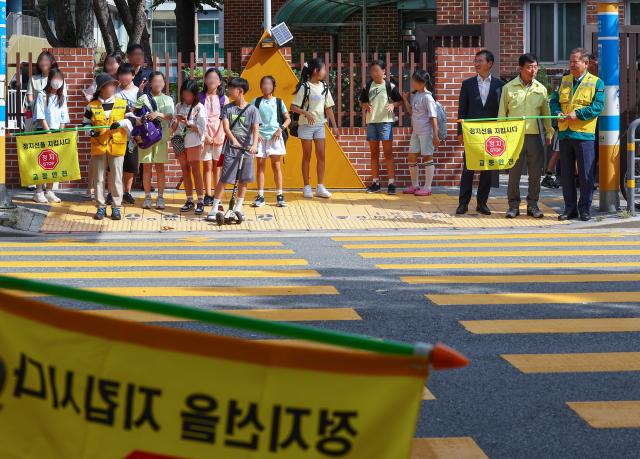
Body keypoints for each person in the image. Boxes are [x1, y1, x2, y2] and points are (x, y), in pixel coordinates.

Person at [550, 48, 604, 221]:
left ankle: (585, 209)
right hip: (565, 133)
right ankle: (569, 209)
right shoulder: (564, 81)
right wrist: (557, 111)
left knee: (586, 174)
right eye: (570, 61)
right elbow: (554, 101)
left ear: (585, 63)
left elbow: (597, 107)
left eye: (575, 61)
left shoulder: (596, 82)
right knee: (566, 174)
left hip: (584, 135)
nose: (571, 65)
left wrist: (578, 114)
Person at [499, 53, 554, 218]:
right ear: (521, 68)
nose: (533, 70)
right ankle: (513, 206)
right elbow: (502, 114)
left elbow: (546, 114)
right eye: (529, 67)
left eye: (535, 67)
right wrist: (503, 136)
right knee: (514, 174)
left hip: (534, 136)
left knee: (535, 173)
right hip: (513, 136)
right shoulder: (508, 88)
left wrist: (549, 132)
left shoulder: (541, 89)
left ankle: (533, 205)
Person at [456, 50, 505, 215]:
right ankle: (463, 203)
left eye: (480, 61)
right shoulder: (467, 84)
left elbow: (502, 110)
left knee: (487, 169)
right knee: (468, 168)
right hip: (472, 133)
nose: (476, 64)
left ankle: (482, 203)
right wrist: (460, 132)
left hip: (491, 133)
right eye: (475, 61)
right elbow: (461, 109)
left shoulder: (500, 85)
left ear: (489, 63)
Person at [207, 77, 261, 222]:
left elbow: (256, 129)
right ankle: (214, 208)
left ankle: (238, 207)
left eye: (231, 89)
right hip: (231, 149)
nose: (229, 91)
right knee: (224, 178)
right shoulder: (228, 108)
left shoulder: (252, 110)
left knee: (244, 180)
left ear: (240, 91)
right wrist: (234, 140)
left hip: (247, 150)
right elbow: (225, 126)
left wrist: (254, 145)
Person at [83, 74, 132, 221]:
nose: (113, 87)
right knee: (98, 178)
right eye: (110, 84)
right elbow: (85, 123)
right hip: (98, 145)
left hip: (116, 145)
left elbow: (131, 120)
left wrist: (121, 123)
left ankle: (116, 207)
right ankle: (100, 207)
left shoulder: (123, 103)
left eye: (113, 85)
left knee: (117, 177)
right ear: (102, 88)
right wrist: (89, 131)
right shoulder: (91, 105)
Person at [290, 58, 339, 199]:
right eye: (323, 69)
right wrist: (305, 113)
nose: (325, 72)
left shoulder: (324, 87)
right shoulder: (305, 87)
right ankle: (306, 186)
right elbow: (293, 107)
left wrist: (334, 126)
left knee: (321, 156)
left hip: (319, 125)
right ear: (316, 71)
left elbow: (328, 107)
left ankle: (320, 186)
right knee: (307, 156)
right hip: (305, 125)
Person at [360, 60, 403, 194]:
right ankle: (375, 182)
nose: (374, 73)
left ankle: (391, 183)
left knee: (388, 153)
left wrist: (393, 105)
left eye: (377, 70)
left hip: (386, 122)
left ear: (384, 71)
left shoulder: (390, 86)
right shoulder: (367, 86)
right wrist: (365, 106)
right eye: (372, 71)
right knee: (374, 153)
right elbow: (362, 102)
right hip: (371, 122)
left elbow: (400, 101)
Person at [133, 71, 174, 210]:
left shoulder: (168, 99)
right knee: (146, 168)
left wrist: (158, 114)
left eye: (161, 81)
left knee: (160, 168)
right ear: (150, 83)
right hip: (145, 137)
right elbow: (134, 114)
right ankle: (147, 197)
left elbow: (170, 116)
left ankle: (161, 197)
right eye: (155, 81)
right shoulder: (143, 97)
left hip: (160, 138)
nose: (158, 84)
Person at [251, 75, 291, 208]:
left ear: (273, 86)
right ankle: (261, 196)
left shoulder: (279, 101)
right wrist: (255, 133)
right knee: (260, 166)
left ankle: (280, 195)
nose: (266, 86)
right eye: (263, 84)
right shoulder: (255, 101)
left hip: (275, 137)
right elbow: (250, 119)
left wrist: (281, 129)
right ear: (260, 86)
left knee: (276, 166)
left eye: (269, 84)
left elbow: (288, 119)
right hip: (260, 138)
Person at [32, 68, 70, 204]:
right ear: (49, 80)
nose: (57, 82)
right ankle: (38, 192)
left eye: (60, 79)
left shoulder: (62, 97)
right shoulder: (42, 95)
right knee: (42, 162)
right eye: (55, 78)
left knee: (54, 163)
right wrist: (48, 132)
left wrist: (59, 132)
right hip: (43, 132)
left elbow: (63, 118)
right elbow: (40, 116)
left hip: (56, 133)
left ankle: (49, 190)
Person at [171, 79, 207, 215]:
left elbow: (202, 128)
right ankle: (189, 199)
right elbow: (173, 128)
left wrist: (188, 123)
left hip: (194, 143)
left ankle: (201, 200)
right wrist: (176, 121)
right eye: (184, 94)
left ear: (194, 94)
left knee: (196, 171)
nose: (186, 97)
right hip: (180, 141)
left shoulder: (199, 107)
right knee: (185, 171)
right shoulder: (179, 106)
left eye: (189, 94)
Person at [401, 69, 439, 196]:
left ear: (423, 83)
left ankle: (427, 187)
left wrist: (435, 135)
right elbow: (412, 112)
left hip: (426, 132)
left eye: (415, 81)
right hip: (416, 132)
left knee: (427, 157)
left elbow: (433, 117)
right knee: (411, 157)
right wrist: (405, 100)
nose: (412, 83)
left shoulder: (428, 98)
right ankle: (415, 185)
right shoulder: (417, 95)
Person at [200, 68, 228, 206]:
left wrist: (218, 135)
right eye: (209, 77)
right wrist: (204, 134)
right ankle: (208, 194)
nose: (212, 80)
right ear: (205, 80)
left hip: (219, 134)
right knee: (207, 165)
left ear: (219, 82)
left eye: (215, 78)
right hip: (204, 134)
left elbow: (225, 119)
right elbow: (197, 117)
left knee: (218, 166)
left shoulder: (224, 98)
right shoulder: (200, 98)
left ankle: (218, 194)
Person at [115, 64, 141, 205]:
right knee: (113, 165)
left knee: (130, 165)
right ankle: (113, 192)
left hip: (131, 134)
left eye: (127, 74)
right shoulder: (113, 91)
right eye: (121, 74)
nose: (124, 77)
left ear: (133, 75)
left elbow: (143, 113)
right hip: (115, 134)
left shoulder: (138, 92)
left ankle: (127, 192)